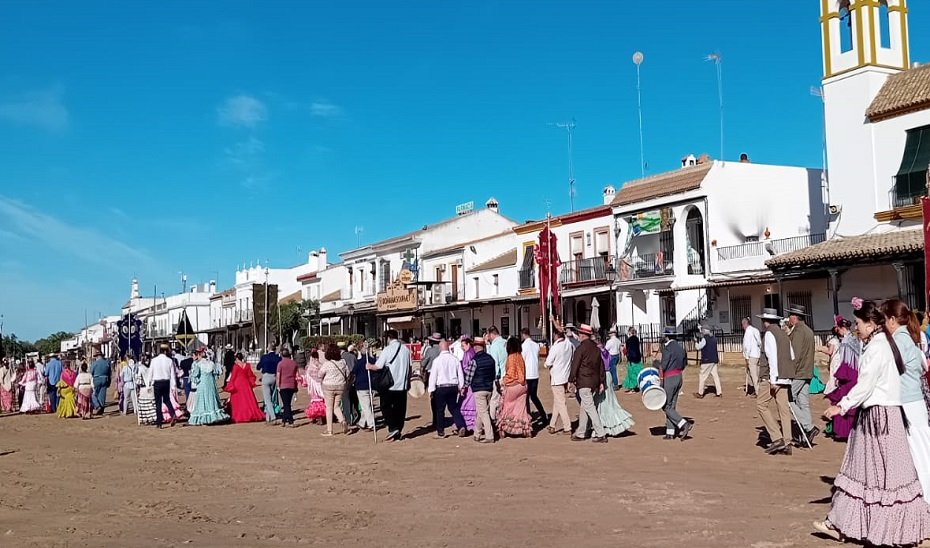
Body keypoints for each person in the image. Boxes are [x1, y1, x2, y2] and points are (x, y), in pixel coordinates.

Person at [815, 298, 930, 545]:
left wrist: (840, 406)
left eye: (858, 323)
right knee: (881, 476)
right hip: (886, 416)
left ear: (870, 324)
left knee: (869, 474)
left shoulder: (879, 346)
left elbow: (864, 386)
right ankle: (848, 524)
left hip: (879, 418)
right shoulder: (884, 343)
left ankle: (854, 525)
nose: (856, 327)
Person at [882, 299, 930, 502]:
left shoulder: (900, 341)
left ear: (892, 320)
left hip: (909, 403)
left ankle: (926, 499)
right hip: (914, 401)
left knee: (920, 454)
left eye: (884, 320)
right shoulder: (908, 338)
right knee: (921, 451)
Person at [755, 308, 795, 455]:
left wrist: (773, 380)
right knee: (783, 410)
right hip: (784, 378)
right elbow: (791, 356)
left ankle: (777, 438)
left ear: (766, 321)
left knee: (761, 405)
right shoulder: (784, 335)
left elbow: (772, 358)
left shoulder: (770, 334)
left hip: (772, 378)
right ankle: (787, 441)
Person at [367, 330, 411, 442]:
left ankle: (393, 428)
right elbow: (409, 367)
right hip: (402, 384)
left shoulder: (387, 350)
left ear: (388, 338)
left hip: (390, 384)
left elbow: (378, 366)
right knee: (400, 409)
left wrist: (369, 366)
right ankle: (397, 431)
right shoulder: (406, 350)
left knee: (385, 407)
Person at [651, 327, 694, 441]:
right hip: (679, 376)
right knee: (672, 406)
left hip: (669, 378)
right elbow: (685, 364)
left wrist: (655, 363)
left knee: (665, 405)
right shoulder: (681, 348)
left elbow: (663, 366)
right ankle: (670, 432)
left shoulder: (667, 348)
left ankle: (683, 424)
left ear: (667, 336)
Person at [569, 324, 608, 443]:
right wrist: (601, 381)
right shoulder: (596, 348)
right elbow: (601, 366)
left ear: (582, 335)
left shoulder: (581, 349)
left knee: (590, 408)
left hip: (584, 381)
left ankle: (600, 433)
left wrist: (571, 380)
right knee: (585, 407)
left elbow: (575, 365)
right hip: (594, 382)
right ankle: (581, 432)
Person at [786, 304, 819, 443]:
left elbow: (795, 354)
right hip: (807, 372)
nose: (788, 318)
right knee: (803, 403)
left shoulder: (799, 331)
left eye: (790, 316)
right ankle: (806, 434)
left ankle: (808, 426)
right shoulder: (809, 331)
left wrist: (788, 373)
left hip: (798, 373)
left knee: (787, 400)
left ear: (794, 317)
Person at [823, 316, 860, 441]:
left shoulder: (845, 342)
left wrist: (840, 376)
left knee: (843, 400)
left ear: (841, 328)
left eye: (837, 328)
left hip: (848, 376)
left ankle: (844, 431)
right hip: (856, 374)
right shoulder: (854, 339)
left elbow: (845, 362)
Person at [428, 339, 466, 438]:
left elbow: (433, 376)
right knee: (454, 408)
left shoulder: (437, 361)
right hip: (453, 387)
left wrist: (431, 390)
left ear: (440, 348)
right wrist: (461, 386)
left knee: (440, 410)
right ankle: (461, 425)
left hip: (441, 387)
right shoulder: (455, 359)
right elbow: (460, 374)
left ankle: (440, 431)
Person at [594, 346, 635, 437]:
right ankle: (609, 426)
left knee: (603, 402)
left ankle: (605, 426)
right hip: (608, 375)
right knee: (610, 401)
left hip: (603, 376)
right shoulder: (606, 351)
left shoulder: (598, 352)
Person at [496, 336, 533, 438]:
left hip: (513, 386)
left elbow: (511, 374)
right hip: (523, 386)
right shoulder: (520, 356)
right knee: (521, 409)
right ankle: (525, 429)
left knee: (506, 407)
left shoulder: (511, 357)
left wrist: (504, 380)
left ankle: (503, 428)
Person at [463, 337, 497, 443]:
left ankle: (489, 436)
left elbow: (469, 376)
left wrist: (464, 386)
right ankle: (476, 433)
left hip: (478, 389)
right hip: (489, 388)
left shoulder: (474, 361)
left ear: (476, 347)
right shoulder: (491, 359)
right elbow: (493, 374)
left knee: (483, 412)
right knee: (480, 411)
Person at [188, 348, 229, 426]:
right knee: (211, 399)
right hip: (211, 384)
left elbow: (195, 376)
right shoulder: (211, 363)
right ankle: (213, 417)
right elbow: (216, 374)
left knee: (202, 400)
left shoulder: (198, 364)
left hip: (202, 384)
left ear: (199, 355)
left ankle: (204, 419)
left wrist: (192, 375)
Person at [545, 330, 574, 435]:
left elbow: (548, 363)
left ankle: (567, 427)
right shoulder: (568, 344)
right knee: (558, 401)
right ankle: (552, 425)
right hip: (565, 377)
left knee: (561, 403)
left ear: (556, 336)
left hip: (557, 378)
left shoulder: (555, 347)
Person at [225, 352, 264, 423]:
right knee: (249, 400)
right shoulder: (247, 365)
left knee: (238, 402)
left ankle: (240, 416)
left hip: (237, 385)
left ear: (237, 358)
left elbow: (233, 377)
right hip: (246, 384)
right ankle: (251, 414)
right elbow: (250, 375)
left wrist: (230, 385)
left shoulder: (236, 366)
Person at [320, 344, 349, 436]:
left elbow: (320, 374)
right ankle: (342, 420)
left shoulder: (327, 364)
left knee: (329, 407)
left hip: (328, 386)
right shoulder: (343, 362)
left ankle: (330, 430)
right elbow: (347, 373)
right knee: (336, 406)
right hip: (340, 386)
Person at [520, 328, 547, 423]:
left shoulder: (523, 346)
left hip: (527, 374)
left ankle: (527, 416)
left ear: (523, 335)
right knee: (534, 396)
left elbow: (522, 360)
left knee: (526, 397)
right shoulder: (536, 345)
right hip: (535, 373)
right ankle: (543, 414)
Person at [149, 345, 178, 428]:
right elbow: (173, 375)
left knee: (158, 403)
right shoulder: (169, 361)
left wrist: (149, 383)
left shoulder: (154, 360)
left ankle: (159, 423)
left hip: (157, 382)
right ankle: (172, 414)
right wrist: (173, 386)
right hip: (166, 382)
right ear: (165, 351)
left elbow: (150, 372)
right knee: (167, 400)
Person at [353, 341, 376, 431]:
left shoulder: (359, 362)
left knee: (366, 406)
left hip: (362, 386)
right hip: (371, 386)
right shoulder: (372, 360)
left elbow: (354, 372)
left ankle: (371, 423)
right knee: (366, 405)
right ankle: (362, 422)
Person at [486, 326, 507, 421]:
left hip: (499, 377)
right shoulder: (505, 342)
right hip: (508, 375)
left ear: (491, 334)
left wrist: (493, 378)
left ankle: (493, 420)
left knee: (494, 400)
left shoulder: (495, 346)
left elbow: (494, 364)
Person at [695, 327, 722, 398]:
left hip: (707, 360)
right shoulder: (714, 339)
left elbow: (698, 347)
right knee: (715, 376)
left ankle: (700, 393)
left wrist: (696, 341)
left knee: (702, 376)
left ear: (704, 331)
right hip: (714, 360)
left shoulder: (704, 339)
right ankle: (719, 392)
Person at [256, 345, 281, 424]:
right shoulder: (278, 358)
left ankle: (273, 417)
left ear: (268, 348)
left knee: (267, 399)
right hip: (275, 377)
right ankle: (268, 418)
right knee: (272, 398)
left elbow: (258, 367)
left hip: (266, 377)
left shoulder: (264, 357)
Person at [276, 348, 299, 428]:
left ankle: (290, 420)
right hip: (292, 384)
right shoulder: (294, 363)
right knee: (287, 403)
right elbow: (296, 375)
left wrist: (278, 385)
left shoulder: (280, 364)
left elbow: (278, 376)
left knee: (286, 404)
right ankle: (284, 420)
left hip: (283, 385)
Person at [458, 337, 477, 432]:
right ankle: (473, 424)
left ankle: (467, 424)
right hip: (474, 383)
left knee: (465, 403)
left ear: (468, 344)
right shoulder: (473, 352)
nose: (462, 347)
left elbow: (467, 368)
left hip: (468, 382)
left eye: (463, 345)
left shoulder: (467, 354)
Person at [304, 350, 327, 424]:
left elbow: (307, 376)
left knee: (315, 400)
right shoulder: (320, 365)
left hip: (313, 386)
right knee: (321, 400)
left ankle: (315, 417)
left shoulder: (310, 366)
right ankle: (321, 417)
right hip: (321, 385)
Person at [741, 318, 762, 397]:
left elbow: (747, 345)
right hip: (757, 355)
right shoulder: (756, 330)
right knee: (757, 373)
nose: (742, 327)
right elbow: (760, 342)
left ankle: (758, 392)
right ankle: (758, 389)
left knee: (753, 374)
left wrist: (746, 357)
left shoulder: (748, 332)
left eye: (742, 324)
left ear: (745, 323)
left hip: (751, 355)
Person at [134, 356, 157, 426]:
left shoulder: (141, 368)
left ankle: (147, 419)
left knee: (145, 405)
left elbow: (139, 381)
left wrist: (136, 380)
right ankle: (152, 419)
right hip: (151, 388)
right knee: (151, 404)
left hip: (144, 389)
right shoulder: (152, 367)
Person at [622, 327, 643, 392]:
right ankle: (638, 385)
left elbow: (627, 350)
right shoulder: (637, 339)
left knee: (631, 373)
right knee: (638, 372)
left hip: (631, 359)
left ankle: (632, 388)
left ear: (630, 332)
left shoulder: (629, 340)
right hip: (638, 358)